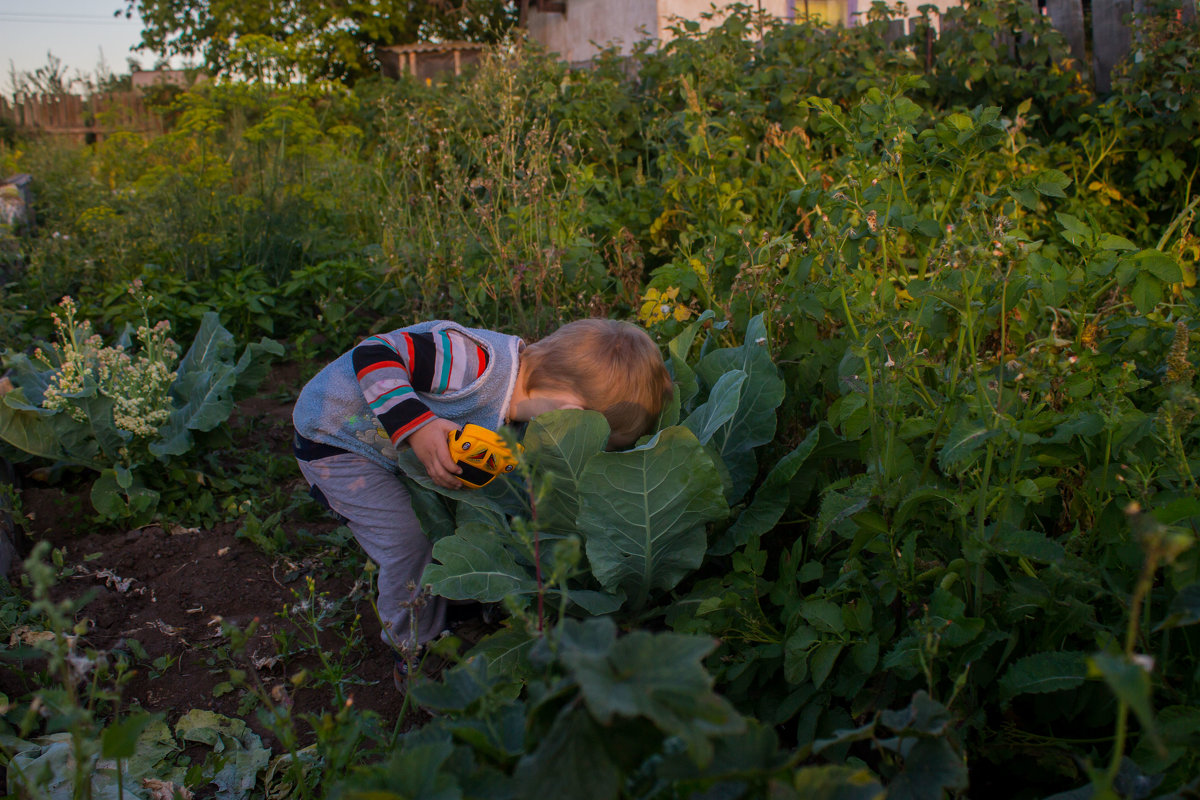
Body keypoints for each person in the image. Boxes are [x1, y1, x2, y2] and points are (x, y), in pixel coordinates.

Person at [291, 318, 672, 681]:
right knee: (408, 542)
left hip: (385, 447)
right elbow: (374, 354)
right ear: (570, 411)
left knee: (456, 512)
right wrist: (417, 426)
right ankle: (412, 649)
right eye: (596, 439)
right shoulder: (472, 364)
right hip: (337, 439)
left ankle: (452, 605)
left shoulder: (522, 415)